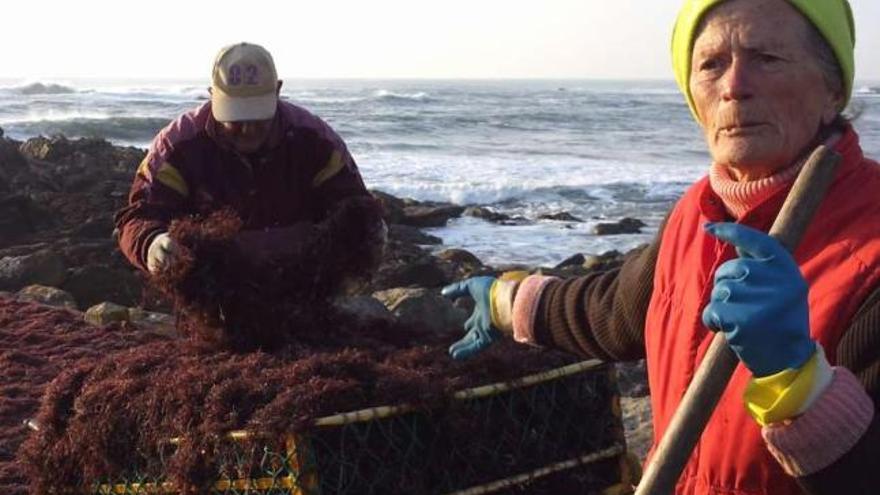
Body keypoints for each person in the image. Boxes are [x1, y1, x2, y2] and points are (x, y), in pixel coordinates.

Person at [442, 1, 879, 493]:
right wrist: (503, 299)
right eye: (711, 64)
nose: (734, 87)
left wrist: (798, 379)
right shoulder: (696, 213)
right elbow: (614, 310)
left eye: (767, 58)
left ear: (833, 90)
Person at [115, 42, 383, 276]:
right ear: (212, 96)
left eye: (257, 116)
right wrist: (151, 242)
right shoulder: (178, 146)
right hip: (214, 290)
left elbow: (351, 202)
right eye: (236, 118)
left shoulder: (315, 141)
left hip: (301, 280)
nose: (248, 128)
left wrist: (368, 231)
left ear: (277, 91)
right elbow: (140, 215)